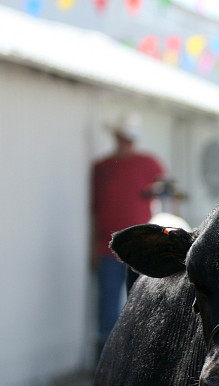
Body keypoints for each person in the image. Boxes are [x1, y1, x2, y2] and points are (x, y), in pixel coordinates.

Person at [91, 113, 164, 351]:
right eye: (124, 138)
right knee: (109, 306)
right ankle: (108, 357)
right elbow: (95, 210)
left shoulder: (148, 163)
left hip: (139, 247)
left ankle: (138, 354)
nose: (126, 143)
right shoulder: (101, 168)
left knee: (141, 302)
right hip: (107, 248)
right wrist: (93, 248)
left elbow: (166, 195)